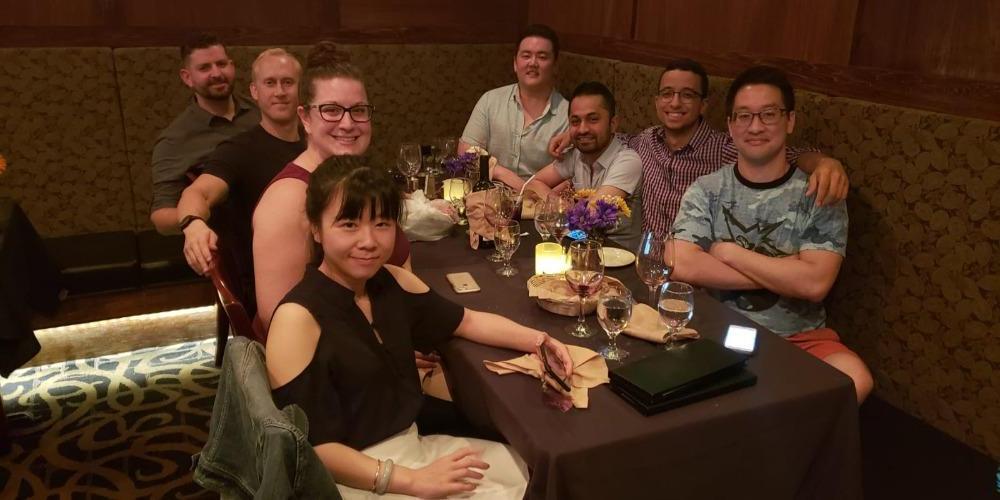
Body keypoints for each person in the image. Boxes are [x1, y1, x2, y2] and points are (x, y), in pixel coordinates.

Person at [266, 161, 573, 499]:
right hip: (349, 478)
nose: (368, 240)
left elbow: (467, 320)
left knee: (530, 472)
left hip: (411, 444)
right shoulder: (297, 317)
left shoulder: (390, 282)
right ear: (316, 229)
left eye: (381, 223)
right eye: (349, 224)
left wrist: (540, 341)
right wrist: (413, 481)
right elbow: (312, 447)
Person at [671, 66, 873, 404]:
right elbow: (682, 264)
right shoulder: (707, 189)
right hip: (716, 328)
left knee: (856, 379)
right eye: (744, 116)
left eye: (768, 114)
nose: (755, 126)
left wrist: (728, 252)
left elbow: (815, 284)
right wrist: (786, 271)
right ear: (731, 126)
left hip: (799, 335)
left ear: (790, 121)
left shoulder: (819, 192)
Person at [549, 58, 849, 238]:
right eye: (667, 94)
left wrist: (824, 163)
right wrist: (570, 134)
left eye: (687, 95)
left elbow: (781, 154)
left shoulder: (723, 149)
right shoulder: (644, 142)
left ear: (704, 104)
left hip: (695, 276)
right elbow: (603, 135)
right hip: (643, 267)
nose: (675, 103)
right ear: (657, 102)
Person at [252, 42, 410, 332]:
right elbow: (279, 322)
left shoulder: (360, 178)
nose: (348, 123)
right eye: (332, 110)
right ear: (305, 118)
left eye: (359, 110)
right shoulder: (289, 198)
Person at [150, 33, 259, 234]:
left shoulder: (262, 113)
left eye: (222, 64)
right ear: (187, 77)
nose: (217, 73)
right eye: (204, 68)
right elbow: (161, 217)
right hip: (227, 244)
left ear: (232, 66)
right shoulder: (174, 141)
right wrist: (195, 218)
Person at [524, 81, 642, 249]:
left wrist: (558, 212)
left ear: (613, 123)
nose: (582, 129)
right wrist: (560, 204)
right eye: (575, 121)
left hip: (619, 259)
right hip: (583, 248)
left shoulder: (627, 161)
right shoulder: (577, 155)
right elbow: (533, 184)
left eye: (593, 120)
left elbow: (590, 216)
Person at [460, 24, 568, 191]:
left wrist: (540, 200)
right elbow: (465, 153)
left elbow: (573, 172)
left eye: (542, 57)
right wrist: (502, 174)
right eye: (526, 56)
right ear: (515, 64)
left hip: (541, 205)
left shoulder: (568, 115)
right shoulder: (490, 100)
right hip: (489, 198)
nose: (533, 63)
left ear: (555, 65)